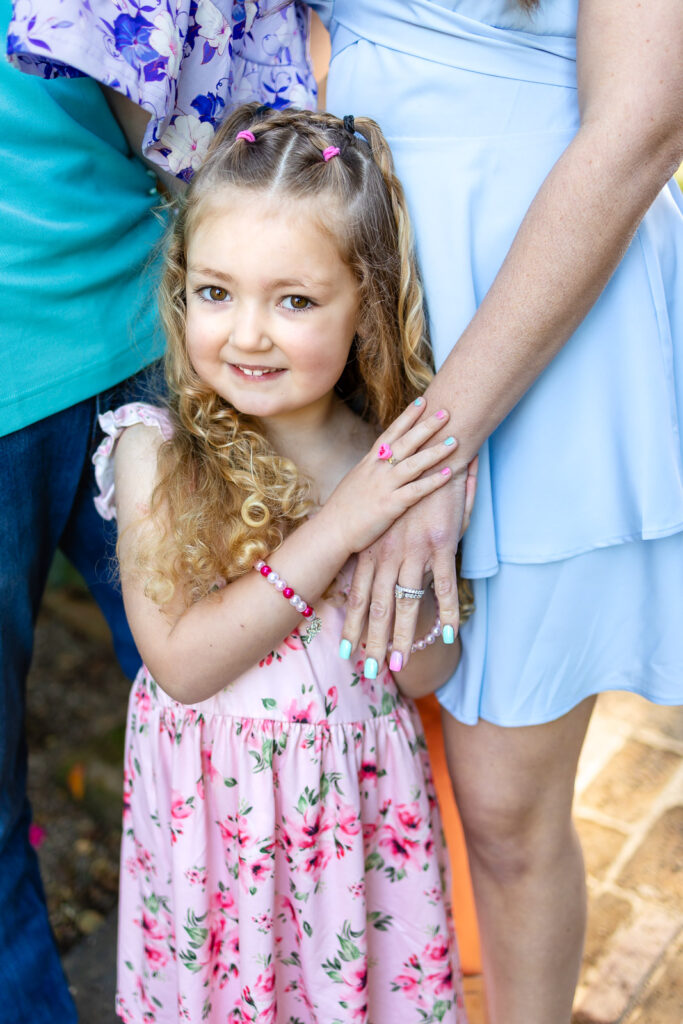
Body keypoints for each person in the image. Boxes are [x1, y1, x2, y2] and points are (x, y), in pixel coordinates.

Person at [301, 2, 683, 1023]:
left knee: (506, 808)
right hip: (332, 278)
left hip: (536, 296)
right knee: (342, 739)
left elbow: (643, 120)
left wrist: (434, 447)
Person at [93, 104, 476, 1024]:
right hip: (216, 833)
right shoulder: (158, 452)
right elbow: (181, 666)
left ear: (367, 305)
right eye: (216, 293)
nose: (248, 334)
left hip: (353, 822)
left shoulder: (385, 460)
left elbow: (427, 671)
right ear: (182, 290)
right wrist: (340, 529)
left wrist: (399, 556)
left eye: (294, 300)